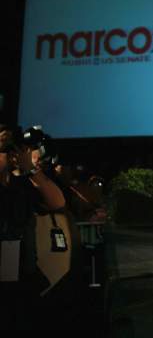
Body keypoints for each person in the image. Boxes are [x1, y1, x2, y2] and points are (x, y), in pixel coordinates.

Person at [0, 124, 66, 330]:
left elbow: (57, 202)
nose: (12, 154)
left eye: (14, 149)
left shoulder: (23, 184)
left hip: (22, 276)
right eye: (5, 149)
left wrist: (31, 169)